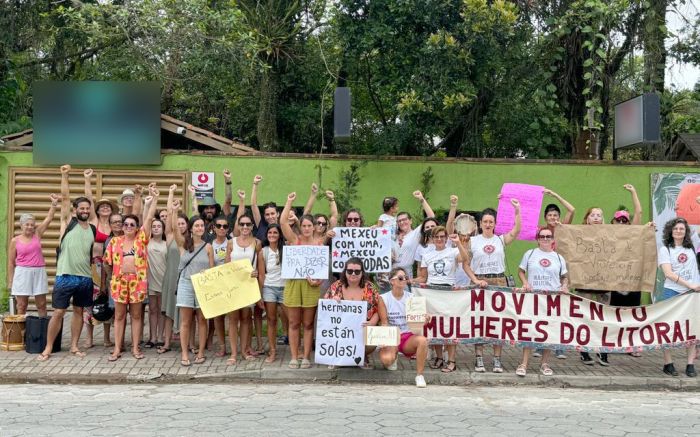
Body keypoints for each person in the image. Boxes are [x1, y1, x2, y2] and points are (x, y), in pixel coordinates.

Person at [38, 165, 96, 361]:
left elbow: (91, 200)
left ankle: (74, 346)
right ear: (75, 210)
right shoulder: (67, 222)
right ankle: (47, 348)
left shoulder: (92, 227)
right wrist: (65, 175)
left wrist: (88, 179)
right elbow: (64, 197)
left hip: (85, 277)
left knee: (78, 311)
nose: (85, 211)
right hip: (65, 275)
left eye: (87, 208)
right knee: (59, 312)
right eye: (82, 208)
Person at [464, 199, 521, 373]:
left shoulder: (501, 240)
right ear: (480, 224)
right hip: (479, 282)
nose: (488, 224)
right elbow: (465, 264)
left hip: (499, 282)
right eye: (485, 222)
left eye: (491, 222)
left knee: (498, 322)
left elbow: (516, 230)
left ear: (495, 224)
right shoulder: (472, 241)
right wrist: (474, 279)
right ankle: (479, 358)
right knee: (479, 322)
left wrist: (517, 211)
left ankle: (497, 360)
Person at [104, 186, 159, 362]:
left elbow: (149, 218)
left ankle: (135, 348)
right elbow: (107, 263)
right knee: (119, 317)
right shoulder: (114, 241)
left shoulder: (141, 239)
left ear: (137, 228)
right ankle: (117, 348)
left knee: (136, 316)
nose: (128, 226)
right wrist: (112, 278)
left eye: (132, 224)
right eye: (125, 224)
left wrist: (153, 199)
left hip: (137, 283)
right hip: (119, 283)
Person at [515, 227, 569, 377]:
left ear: (553, 239)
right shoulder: (530, 254)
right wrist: (525, 282)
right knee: (529, 330)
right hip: (533, 299)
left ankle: (544, 363)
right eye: (542, 236)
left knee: (549, 331)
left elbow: (564, 276)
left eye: (548, 236)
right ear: (538, 239)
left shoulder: (558, 257)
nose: (545, 238)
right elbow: (521, 271)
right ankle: (524, 363)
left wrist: (564, 285)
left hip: (552, 300)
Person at [415, 227, 470, 373]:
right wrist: (408, 280)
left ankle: (451, 361)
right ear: (432, 239)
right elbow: (423, 277)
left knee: (450, 328)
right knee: (435, 327)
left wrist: (458, 243)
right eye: (436, 237)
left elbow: (465, 259)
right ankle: (439, 358)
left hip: (449, 293)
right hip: (432, 293)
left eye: (442, 236)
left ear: (446, 238)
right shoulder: (427, 255)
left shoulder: (452, 251)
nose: (439, 239)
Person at [280, 192, 325, 369]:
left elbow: (321, 271)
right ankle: (293, 356)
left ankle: (306, 356)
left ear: (314, 227)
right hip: (293, 284)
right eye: (304, 225)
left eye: (309, 225)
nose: (306, 228)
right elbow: (283, 222)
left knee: (307, 324)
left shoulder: (319, 244)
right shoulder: (294, 240)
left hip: (310, 287)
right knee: (293, 323)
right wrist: (289, 201)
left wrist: (318, 282)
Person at [658, 217, 700, 377]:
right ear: (670, 231)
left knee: (691, 329)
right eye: (675, 229)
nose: (678, 231)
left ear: (686, 231)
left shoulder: (693, 245)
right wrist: (689, 285)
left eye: (682, 229)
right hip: (672, 291)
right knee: (667, 328)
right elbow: (668, 273)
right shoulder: (665, 249)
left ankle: (690, 364)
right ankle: (668, 363)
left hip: (692, 294)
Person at [324, 257, 385, 368]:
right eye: (349, 271)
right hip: (340, 331)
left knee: (371, 342)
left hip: (362, 331)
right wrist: (332, 303)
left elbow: (377, 310)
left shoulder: (370, 288)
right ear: (345, 272)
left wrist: (372, 322)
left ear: (362, 273)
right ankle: (336, 356)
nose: (353, 274)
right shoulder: (335, 287)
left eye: (357, 271)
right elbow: (325, 311)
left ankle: (361, 355)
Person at [82, 169, 119, 347]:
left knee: (108, 301)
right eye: (102, 206)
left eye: (108, 206)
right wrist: (87, 180)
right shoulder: (94, 222)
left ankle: (106, 338)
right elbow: (88, 199)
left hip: (110, 268)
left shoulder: (114, 226)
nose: (105, 208)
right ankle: (89, 337)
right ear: (96, 210)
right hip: (94, 267)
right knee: (91, 301)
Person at [173, 214, 215, 366]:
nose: (200, 228)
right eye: (196, 226)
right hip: (186, 283)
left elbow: (212, 270)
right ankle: (184, 353)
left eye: (202, 226)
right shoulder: (183, 243)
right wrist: (174, 208)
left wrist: (208, 275)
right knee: (186, 321)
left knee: (202, 320)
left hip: (203, 285)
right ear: (190, 228)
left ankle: (201, 352)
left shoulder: (208, 247)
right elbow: (174, 228)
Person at [378, 267, 430, 388]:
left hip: (407, 336)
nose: (404, 280)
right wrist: (384, 340)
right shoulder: (384, 298)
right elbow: (384, 322)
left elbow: (417, 322)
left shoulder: (411, 297)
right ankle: (393, 355)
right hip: (392, 336)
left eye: (405, 278)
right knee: (387, 360)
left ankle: (419, 375)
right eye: (400, 278)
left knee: (422, 340)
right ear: (392, 281)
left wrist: (425, 318)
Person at [8, 195, 59, 316]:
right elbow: (11, 262)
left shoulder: (37, 234)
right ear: (21, 225)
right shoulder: (15, 240)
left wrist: (54, 204)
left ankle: (42, 332)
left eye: (32, 224)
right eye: (27, 224)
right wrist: (11, 281)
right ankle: (21, 333)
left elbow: (49, 218)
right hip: (22, 272)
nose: (30, 227)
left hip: (38, 271)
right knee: (21, 305)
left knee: (41, 304)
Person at [226, 207, 263, 363]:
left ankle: (244, 350)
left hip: (249, 285)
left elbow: (261, 268)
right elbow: (226, 266)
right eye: (242, 224)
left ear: (252, 226)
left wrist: (256, 273)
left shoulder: (257, 243)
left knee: (247, 319)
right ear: (238, 226)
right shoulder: (231, 242)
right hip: (234, 286)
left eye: (248, 224)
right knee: (233, 320)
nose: (245, 227)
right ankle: (233, 353)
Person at [158, 197, 189, 355]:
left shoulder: (191, 240)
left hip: (185, 279)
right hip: (170, 278)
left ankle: (189, 343)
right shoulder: (170, 236)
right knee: (168, 312)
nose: (180, 225)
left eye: (183, 223)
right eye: (178, 223)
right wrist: (171, 198)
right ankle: (167, 342)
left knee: (188, 313)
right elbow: (170, 216)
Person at [258, 224, 286, 363]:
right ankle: (273, 351)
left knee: (290, 319)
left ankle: (296, 348)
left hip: (285, 287)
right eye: (270, 232)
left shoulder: (286, 250)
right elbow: (262, 275)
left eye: (275, 232)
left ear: (280, 234)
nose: (272, 235)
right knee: (271, 320)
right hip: (269, 287)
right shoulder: (263, 252)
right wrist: (261, 294)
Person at [393, 191, 436, 280]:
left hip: (406, 273)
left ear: (410, 221)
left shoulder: (415, 233)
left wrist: (421, 199)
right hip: (390, 272)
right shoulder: (393, 235)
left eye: (404, 219)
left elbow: (431, 216)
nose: (402, 222)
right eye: (399, 221)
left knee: (405, 294)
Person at [208, 215, 231, 358]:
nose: (222, 229)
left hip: (231, 283)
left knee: (235, 317)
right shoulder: (210, 244)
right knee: (218, 317)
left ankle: (239, 346)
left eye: (225, 226)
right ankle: (222, 346)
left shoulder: (232, 243)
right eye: (219, 226)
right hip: (217, 284)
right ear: (214, 228)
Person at [145, 217, 168, 349]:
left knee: (162, 310)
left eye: (159, 226)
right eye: (153, 226)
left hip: (164, 280)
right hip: (151, 279)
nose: (156, 228)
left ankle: (161, 337)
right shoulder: (146, 243)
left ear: (163, 229)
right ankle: (152, 337)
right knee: (152, 309)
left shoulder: (167, 244)